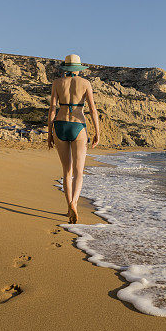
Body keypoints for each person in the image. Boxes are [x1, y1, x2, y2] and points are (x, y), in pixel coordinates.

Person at [47, 54, 100, 223]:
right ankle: (74, 203)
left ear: (66, 68)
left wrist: (49, 133)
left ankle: (68, 205)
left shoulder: (57, 83)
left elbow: (52, 110)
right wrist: (98, 132)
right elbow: (92, 109)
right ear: (78, 68)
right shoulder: (85, 83)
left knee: (66, 171)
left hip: (60, 126)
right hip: (78, 126)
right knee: (79, 171)